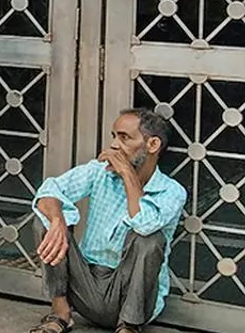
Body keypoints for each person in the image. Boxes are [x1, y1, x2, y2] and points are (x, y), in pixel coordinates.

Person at [29, 109, 187, 333]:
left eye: (124, 137)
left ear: (152, 145)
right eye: (114, 136)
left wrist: (127, 174)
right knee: (46, 218)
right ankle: (61, 315)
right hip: (87, 284)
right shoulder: (99, 172)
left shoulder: (172, 191)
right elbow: (49, 190)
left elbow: (145, 224)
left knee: (149, 239)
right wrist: (57, 220)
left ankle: (129, 327)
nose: (114, 145)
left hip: (131, 295)